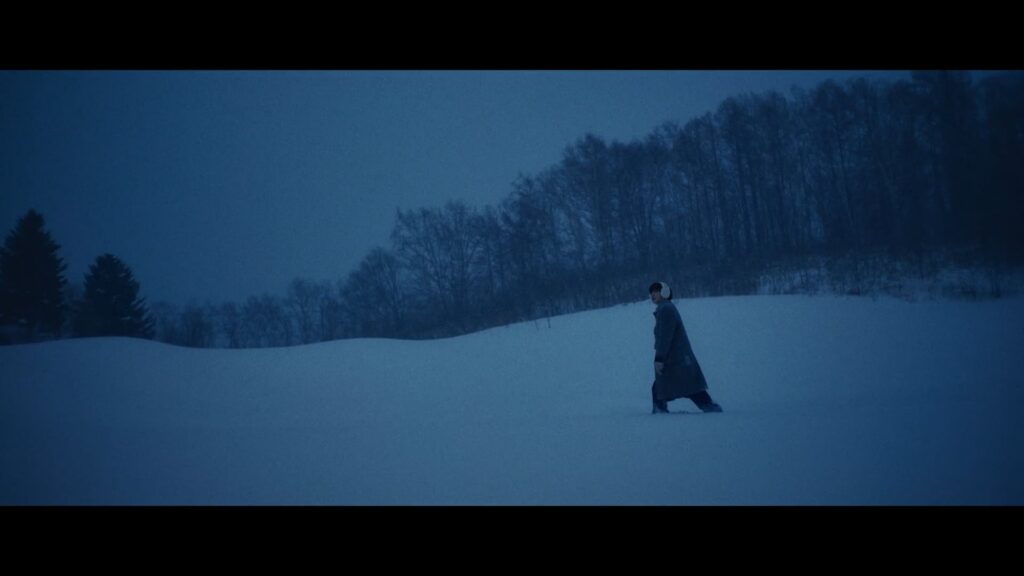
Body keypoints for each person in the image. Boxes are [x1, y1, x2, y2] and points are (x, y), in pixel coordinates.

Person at [649, 281, 722, 414]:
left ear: (665, 292)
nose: (653, 294)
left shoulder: (666, 309)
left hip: (675, 359)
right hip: (677, 358)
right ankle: (710, 408)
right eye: (651, 292)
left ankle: (660, 413)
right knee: (687, 387)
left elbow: (664, 337)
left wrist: (659, 358)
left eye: (656, 291)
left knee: (674, 387)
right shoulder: (665, 308)